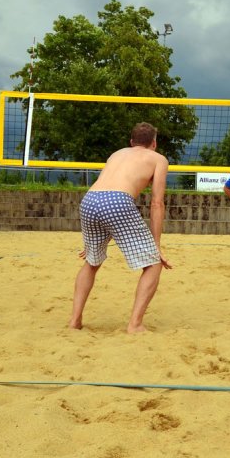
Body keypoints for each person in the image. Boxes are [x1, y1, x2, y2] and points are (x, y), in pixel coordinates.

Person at [68, 122, 172, 333]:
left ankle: (75, 322)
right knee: (153, 263)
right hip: (117, 201)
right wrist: (157, 245)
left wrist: (93, 240)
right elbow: (157, 203)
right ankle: (135, 325)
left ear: (131, 141)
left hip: (89, 200)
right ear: (154, 142)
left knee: (91, 261)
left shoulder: (116, 154)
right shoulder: (158, 158)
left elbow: (105, 191)